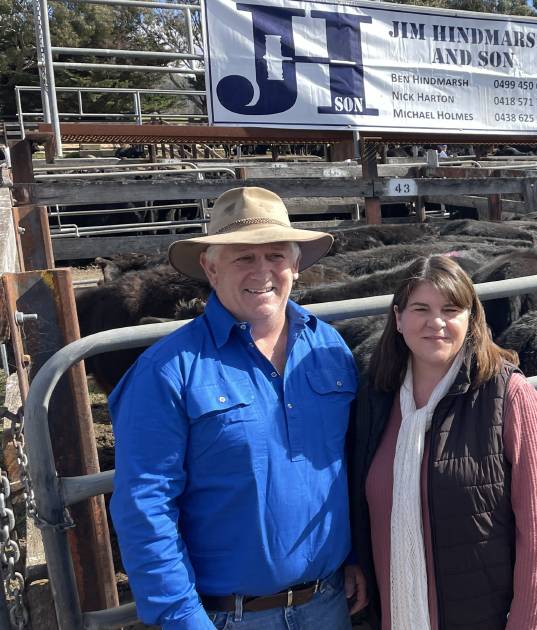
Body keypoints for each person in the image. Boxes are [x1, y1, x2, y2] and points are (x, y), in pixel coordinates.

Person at [109, 187, 363, 629]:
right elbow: (145, 505)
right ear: (210, 267)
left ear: (297, 264)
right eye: (243, 257)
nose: (262, 271)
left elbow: (346, 465)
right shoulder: (168, 370)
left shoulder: (329, 347)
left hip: (328, 601)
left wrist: (358, 555)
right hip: (230, 615)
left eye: (276, 256)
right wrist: (182, 617)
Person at [346, 255, 537, 630]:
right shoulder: (375, 399)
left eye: (451, 309)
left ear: (471, 320)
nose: (436, 323)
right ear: (398, 318)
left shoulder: (512, 398)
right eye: (421, 308)